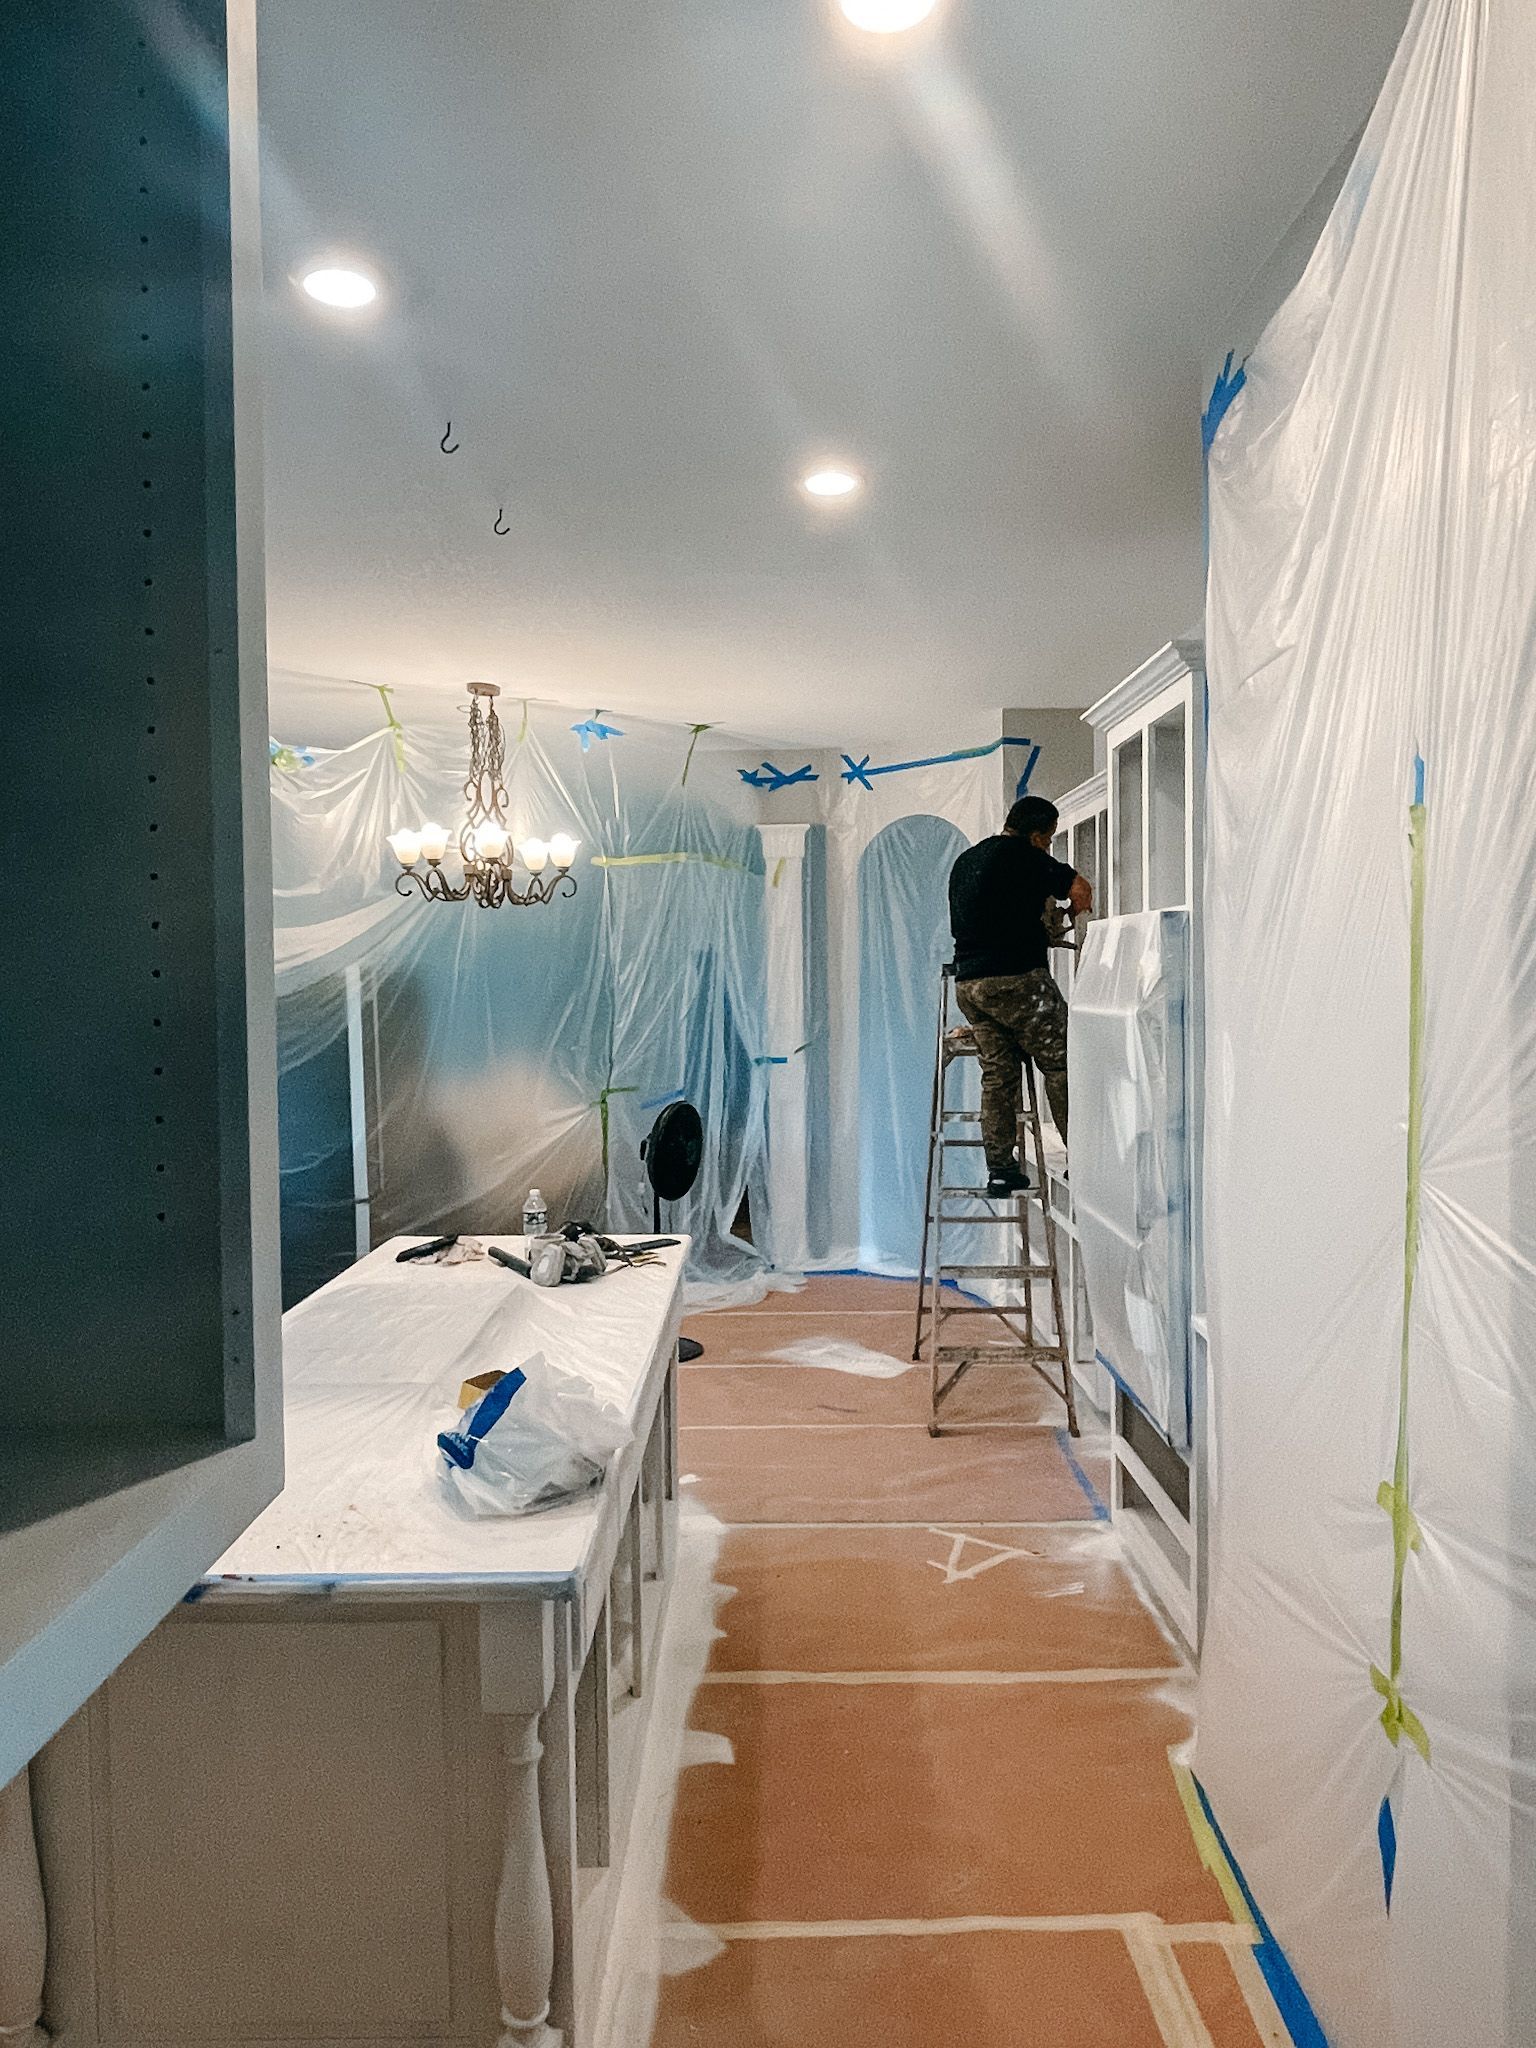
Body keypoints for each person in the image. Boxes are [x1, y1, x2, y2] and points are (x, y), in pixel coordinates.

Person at [947, 793, 1092, 1195]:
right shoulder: (1024, 856)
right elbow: (1080, 888)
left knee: (998, 1076)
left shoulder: (968, 860)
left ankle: (1000, 1168)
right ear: (1034, 834)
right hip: (1017, 982)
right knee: (1064, 1061)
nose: (1047, 846)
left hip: (970, 985)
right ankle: (1083, 1160)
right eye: (1047, 839)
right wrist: (1074, 913)